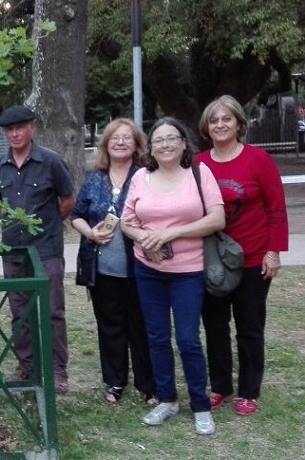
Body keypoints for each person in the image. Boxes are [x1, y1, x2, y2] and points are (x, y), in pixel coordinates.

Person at [121, 117, 225, 435]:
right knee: (156, 337)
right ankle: (167, 399)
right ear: (150, 148)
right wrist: (143, 239)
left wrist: (171, 233)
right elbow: (126, 221)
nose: (164, 144)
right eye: (157, 140)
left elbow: (217, 219)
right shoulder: (141, 176)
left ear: (183, 142)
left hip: (188, 271)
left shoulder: (199, 173)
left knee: (188, 339)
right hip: (148, 270)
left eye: (171, 138)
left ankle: (200, 405)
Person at [196, 95, 289, 416]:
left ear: (238, 123)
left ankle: (249, 390)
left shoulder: (259, 160)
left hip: (252, 258)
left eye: (226, 119)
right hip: (212, 260)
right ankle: (220, 385)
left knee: (249, 326)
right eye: (213, 120)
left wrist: (274, 252)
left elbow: (276, 208)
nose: (220, 125)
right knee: (215, 324)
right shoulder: (198, 164)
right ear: (207, 128)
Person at [0, 105, 75, 393]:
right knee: (19, 311)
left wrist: (46, 227)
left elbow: (67, 201)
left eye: (20, 128)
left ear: (32, 129)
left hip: (46, 249)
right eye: (9, 129)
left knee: (52, 311)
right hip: (14, 250)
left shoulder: (51, 162)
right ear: (3, 133)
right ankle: (26, 366)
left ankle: (57, 370)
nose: (14, 133)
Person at [70, 118, 156, 404]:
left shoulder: (146, 176)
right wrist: (90, 233)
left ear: (137, 144)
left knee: (141, 326)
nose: (120, 142)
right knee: (110, 326)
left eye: (126, 138)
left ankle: (148, 384)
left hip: (140, 267)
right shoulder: (95, 178)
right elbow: (76, 215)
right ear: (106, 144)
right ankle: (115, 382)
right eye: (114, 138)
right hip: (102, 268)